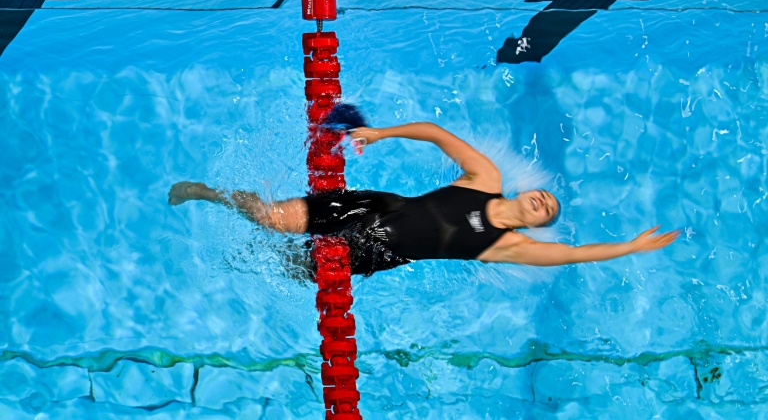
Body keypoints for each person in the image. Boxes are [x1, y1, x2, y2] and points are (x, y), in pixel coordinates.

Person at [168, 122, 679, 275]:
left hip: (378, 253)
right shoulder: (485, 179)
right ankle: (208, 194)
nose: (544, 201)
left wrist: (630, 248)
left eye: (548, 209)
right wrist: (382, 134)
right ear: (528, 191)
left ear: (535, 222)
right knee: (268, 218)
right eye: (544, 195)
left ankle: (253, 259)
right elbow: (436, 134)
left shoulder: (507, 246)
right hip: (375, 208)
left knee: (290, 270)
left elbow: (572, 255)